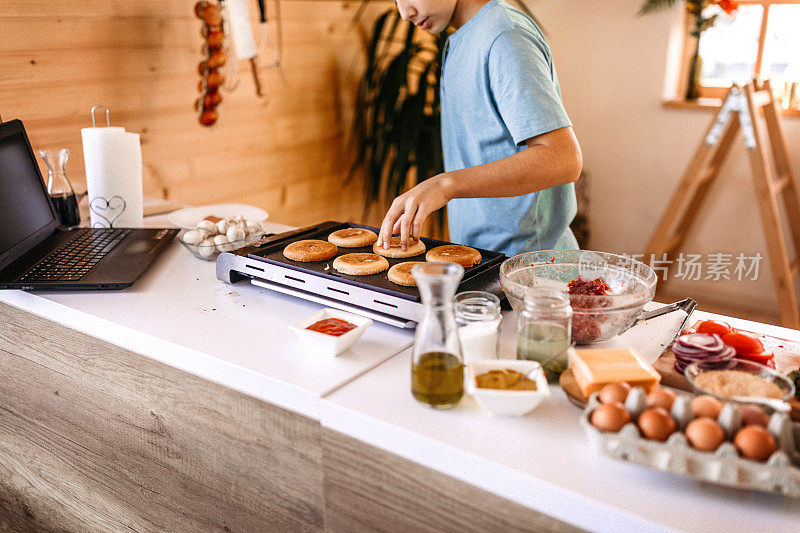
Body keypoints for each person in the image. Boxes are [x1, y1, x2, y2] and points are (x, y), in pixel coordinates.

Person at [377, 0, 582, 256]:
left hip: (531, 271)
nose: (405, 12)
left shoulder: (505, 38)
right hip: (486, 264)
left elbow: (563, 158)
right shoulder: (462, 38)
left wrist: (445, 185)